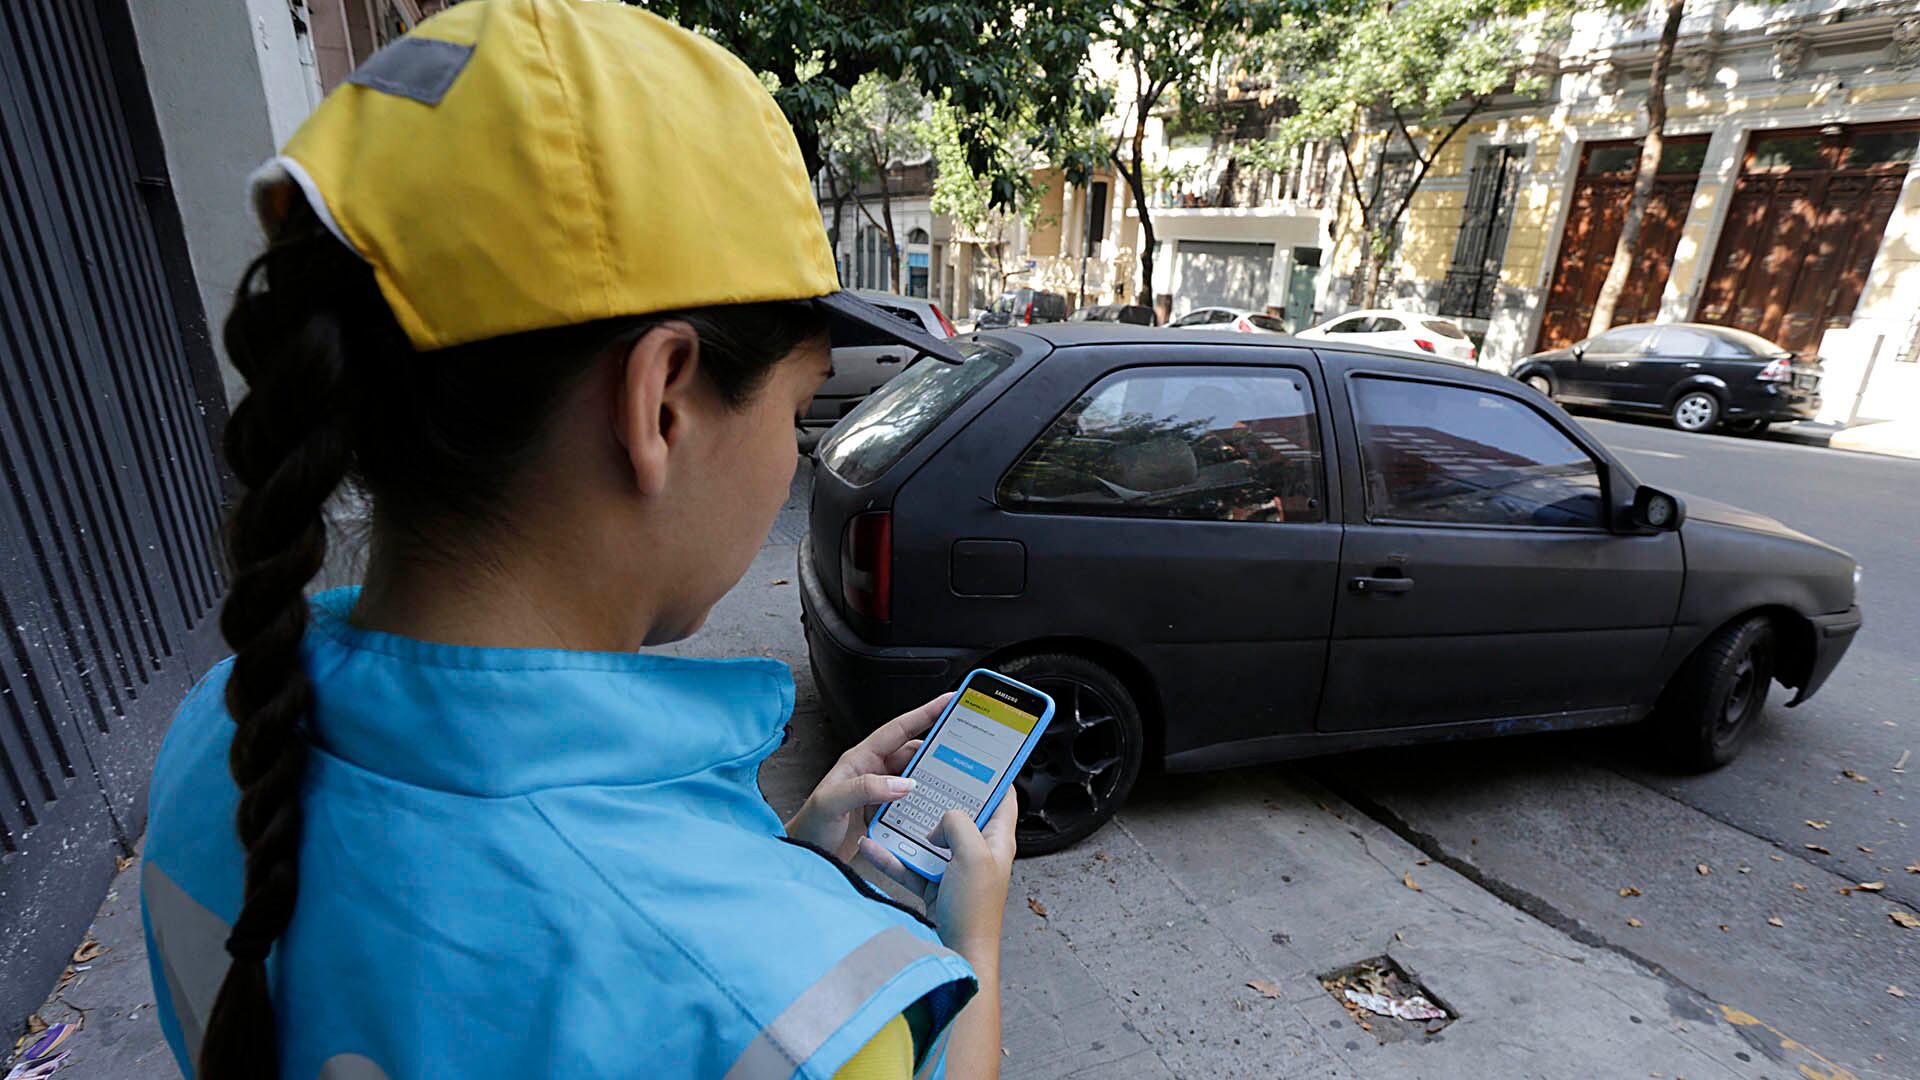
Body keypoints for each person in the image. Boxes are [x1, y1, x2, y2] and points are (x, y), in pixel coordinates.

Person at [138, 2, 1016, 1077]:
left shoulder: (217, 745)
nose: (795, 459)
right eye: (795, 414)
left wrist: (772, 869)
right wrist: (969, 939)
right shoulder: (801, 1010)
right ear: (660, 404)